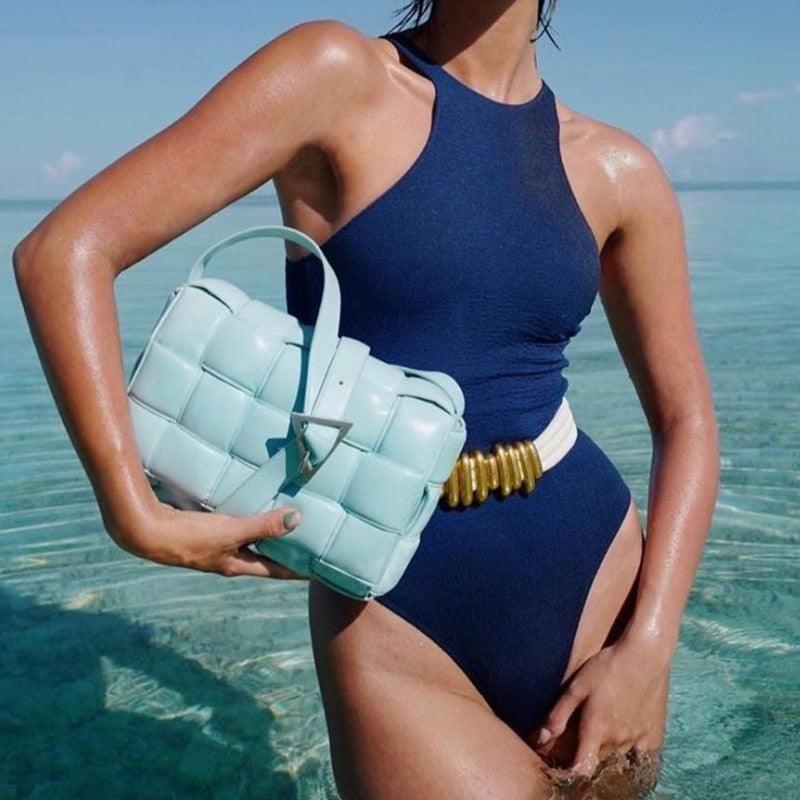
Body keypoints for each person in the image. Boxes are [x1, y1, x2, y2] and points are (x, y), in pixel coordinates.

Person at [13, 1, 721, 798]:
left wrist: (650, 642)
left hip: (597, 585)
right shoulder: (335, 77)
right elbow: (64, 251)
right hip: (391, 613)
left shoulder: (619, 168)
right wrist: (132, 514)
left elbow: (687, 419)